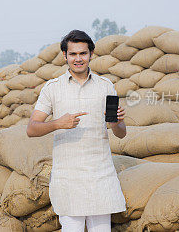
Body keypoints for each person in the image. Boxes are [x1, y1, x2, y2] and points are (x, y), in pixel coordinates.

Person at [26, 30, 127, 232]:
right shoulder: (52, 88)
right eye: (73, 54)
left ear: (91, 54)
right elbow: (31, 129)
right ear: (65, 56)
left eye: (83, 53)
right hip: (68, 178)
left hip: (100, 174)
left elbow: (120, 133)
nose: (78, 59)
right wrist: (57, 123)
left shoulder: (105, 86)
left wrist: (117, 122)